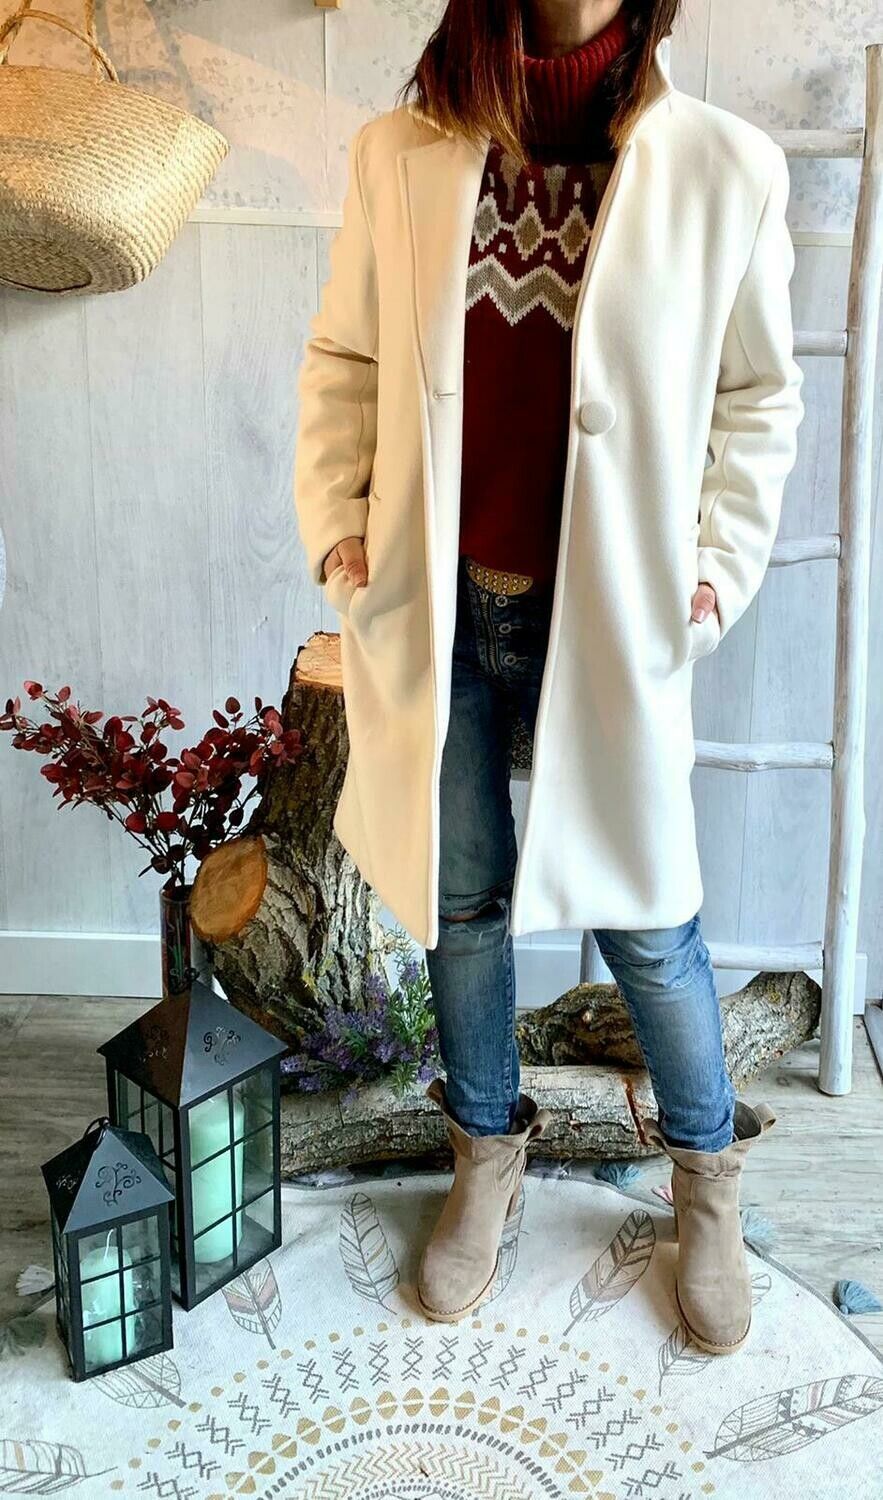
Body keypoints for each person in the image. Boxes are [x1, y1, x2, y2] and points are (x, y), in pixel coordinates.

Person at [293, 0, 804, 1356]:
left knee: (650, 914)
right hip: (440, 603)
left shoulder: (726, 167)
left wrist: (715, 570)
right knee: (463, 901)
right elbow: (344, 358)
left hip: (609, 615)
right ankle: (484, 1153)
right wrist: (340, 532)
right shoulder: (399, 152)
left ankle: (706, 1181)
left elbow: (760, 395)